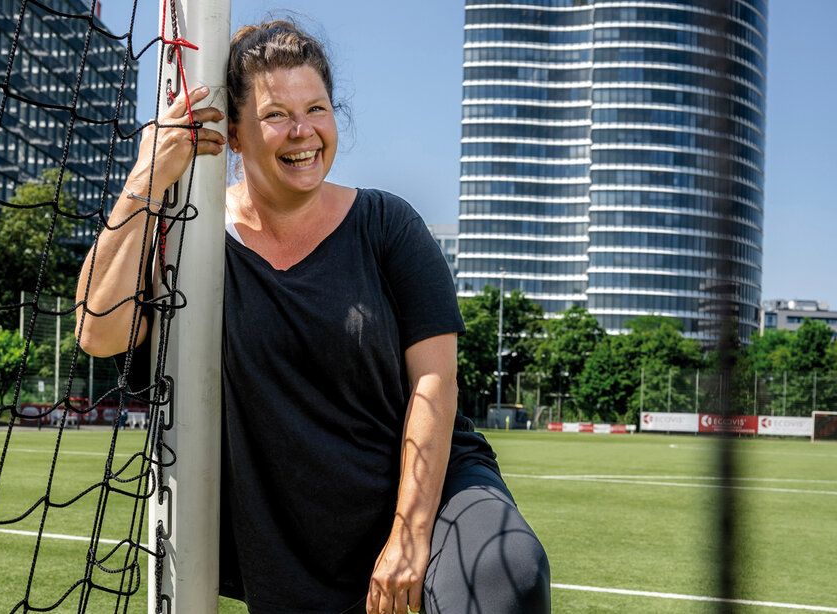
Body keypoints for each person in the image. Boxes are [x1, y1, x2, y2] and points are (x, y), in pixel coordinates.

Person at [76, 20, 550, 614]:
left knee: (506, 575)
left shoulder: (388, 225)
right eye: (276, 115)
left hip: (431, 490)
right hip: (292, 537)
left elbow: (436, 381)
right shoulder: (193, 250)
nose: (303, 131)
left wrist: (409, 535)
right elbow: (97, 332)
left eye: (316, 108)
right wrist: (147, 177)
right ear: (236, 135)